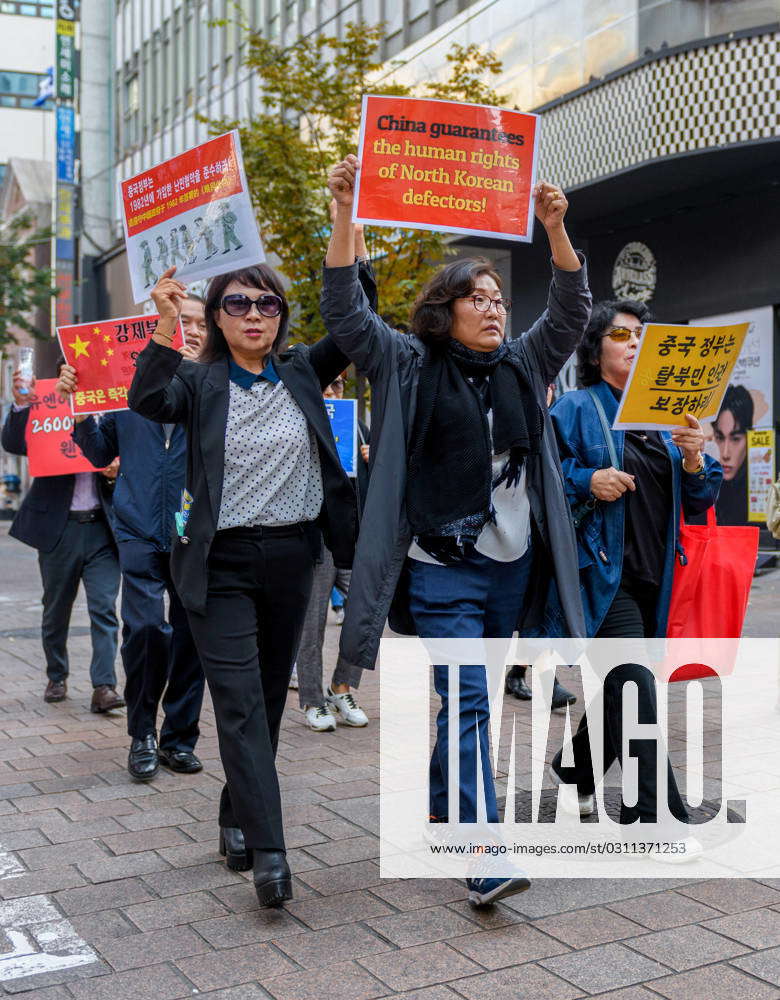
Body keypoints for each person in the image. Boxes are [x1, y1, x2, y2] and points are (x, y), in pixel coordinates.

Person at [322, 154, 591, 907]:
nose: (494, 308)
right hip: (439, 563)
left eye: (500, 297)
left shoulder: (525, 362)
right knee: (471, 697)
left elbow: (571, 307)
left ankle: (443, 791)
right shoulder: (408, 363)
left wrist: (555, 228)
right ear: (446, 310)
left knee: (463, 696)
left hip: (512, 566)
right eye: (477, 297)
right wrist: (346, 213)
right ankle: (483, 851)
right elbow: (346, 315)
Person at [128, 264, 356, 908]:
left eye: (267, 302)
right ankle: (272, 852)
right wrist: (168, 323)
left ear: (280, 315)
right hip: (218, 563)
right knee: (238, 704)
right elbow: (148, 400)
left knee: (264, 702)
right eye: (236, 303)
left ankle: (237, 817)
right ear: (217, 316)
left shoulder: (305, 370)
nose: (254, 313)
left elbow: (350, 311)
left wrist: (348, 219)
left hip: (293, 558)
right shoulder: (199, 381)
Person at [548, 299, 722, 849]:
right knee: (637, 683)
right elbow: (544, 477)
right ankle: (658, 816)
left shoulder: (671, 419)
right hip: (602, 573)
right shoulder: (575, 407)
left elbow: (701, 498)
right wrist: (588, 479)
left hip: (656, 579)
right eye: (622, 334)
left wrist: (695, 458)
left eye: (642, 335)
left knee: (627, 688)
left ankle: (577, 764)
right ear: (596, 349)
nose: (634, 342)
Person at [56, 294, 208, 783]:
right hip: (139, 528)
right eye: (183, 321)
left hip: (195, 531)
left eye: (203, 324)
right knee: (145, 631)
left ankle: (179, 737)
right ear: (162, 328)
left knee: (192, 637)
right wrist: (78, 411)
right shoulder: (126, 391)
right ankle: (141, 733)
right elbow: (101, 450)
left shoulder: (218, 388)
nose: (195, 331)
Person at [1, 361, 122, 711]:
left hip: (102, 527)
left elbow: (129, 452)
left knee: (104, 608)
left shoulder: (108, 409)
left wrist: (117, 467)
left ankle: (104, 686)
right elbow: (12, 443)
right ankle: (57, 674)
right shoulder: (43, 405)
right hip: (58, 527)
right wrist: (22, 403)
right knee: (56, 609)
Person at [295, 373, 368, 731]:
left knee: (365, 613)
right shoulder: (296, 419)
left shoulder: (354, 425)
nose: (329, 389)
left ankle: (341, 686)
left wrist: (372, 459)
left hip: (352, 537)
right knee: (312, 620)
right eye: (325, 382)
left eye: (337, 383)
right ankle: (311, 698)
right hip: (317, 534)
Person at [711, 384, 753, 525]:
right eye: (720, 437)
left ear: (749, 437)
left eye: (735, 439)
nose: (725, 454)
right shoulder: (709, 486)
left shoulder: (756, 488)